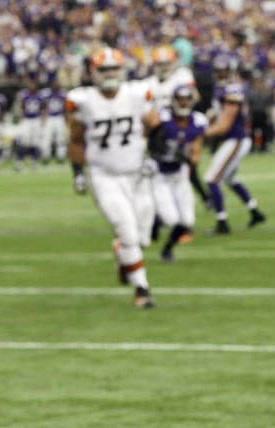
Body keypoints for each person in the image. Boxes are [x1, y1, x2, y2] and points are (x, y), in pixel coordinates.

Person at [67, 47, 165, 309]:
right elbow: (75, 140)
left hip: (137, 175)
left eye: (113, 69)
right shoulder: (83, 100)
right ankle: (142, 290)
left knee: (143, 237)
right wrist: (77, 173)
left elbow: (156, 127)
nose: (109, 74)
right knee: (128, 232)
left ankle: (125, 259)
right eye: (104, 70)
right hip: (104, 176)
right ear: (93, 72)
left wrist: (155, 156)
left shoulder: (136, 95)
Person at [202, 56, 265, 235]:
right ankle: (255, 212)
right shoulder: (221, 88)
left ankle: (222, 223)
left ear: (230, 71)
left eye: (224, 71)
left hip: (236, 138)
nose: (220, 74)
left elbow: (226, 123)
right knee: (229, 179)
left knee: (211, 179)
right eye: (218, 71)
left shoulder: (232, 89)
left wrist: (201, 133)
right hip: (232, 138)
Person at [152, 84, 208, 263]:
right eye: (180, 99)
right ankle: (157, 219)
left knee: (187, 221)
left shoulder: (198, 121)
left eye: (186, 99)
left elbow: (196, 153)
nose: (183, 103)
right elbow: (145, 136)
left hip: (179, 174)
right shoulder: (162, 118)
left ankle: (167, 249)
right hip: (159, 174)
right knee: (171, 219)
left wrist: (190, 157)